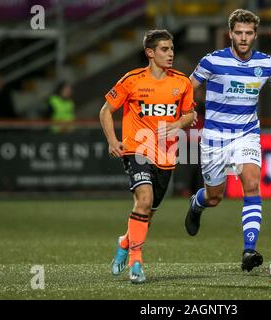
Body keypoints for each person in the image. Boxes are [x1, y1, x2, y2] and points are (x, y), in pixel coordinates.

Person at [184, 9, 271, 272]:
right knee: (214, 197)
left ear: (255, 35)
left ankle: (249, 250)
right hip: (214, 138)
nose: (243, 38)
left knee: (252, 184)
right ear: (230, 33)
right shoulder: (211, 61)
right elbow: (188, 88)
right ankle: (197, 205)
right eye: (239, 33)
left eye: (248, 33)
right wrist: (185, 113)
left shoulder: (266, 63)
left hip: (246, 134)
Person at [99, 29, 195, 284]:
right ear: (150, 53)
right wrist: (112, 140)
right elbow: (105, 111)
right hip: (137, 151)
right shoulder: (131, 80)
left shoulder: (182, 82)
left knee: (147, 214)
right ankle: (136, 262)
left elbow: (190, 115)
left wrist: (177, 125)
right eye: (165, 49)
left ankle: (125, 241)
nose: (171, 53)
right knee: (144, 199)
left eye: (172, 49)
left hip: (166, 156)